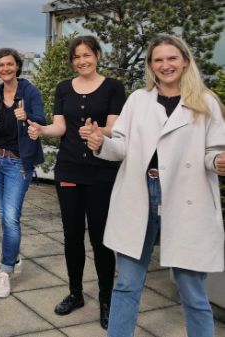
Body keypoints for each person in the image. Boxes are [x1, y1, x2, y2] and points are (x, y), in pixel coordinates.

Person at [86, 34, 225, 337]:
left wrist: (217, 162)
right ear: (150, 65)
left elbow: (214, 151)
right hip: (140, 196)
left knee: (193, 293)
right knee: (126, 285)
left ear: (185, 60)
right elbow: (120, 146)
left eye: (172, 58)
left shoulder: (206, 102)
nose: (166, 65)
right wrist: (101, 143)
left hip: (186, 200)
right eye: (158, 60)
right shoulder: (138, 100)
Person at [27, 35, 125, 329]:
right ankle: (75, 293)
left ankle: (106, 299)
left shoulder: (113, 87)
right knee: (71, 235)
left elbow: (114, 127)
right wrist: (42, 128)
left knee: (100, 237)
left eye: (87, 55)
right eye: (77, 57)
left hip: (100, 171)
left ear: (97, 55)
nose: (82, 61)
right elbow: (60, 126)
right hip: (68, 170)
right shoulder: (63, 88)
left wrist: (99, 132)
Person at [0, 48, 45, 298]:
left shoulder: (29, 91)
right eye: (1, 65)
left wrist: (27, 116)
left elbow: (41, 119)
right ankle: (13, 258)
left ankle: (6, 271)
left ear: (17, 66)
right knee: (5, 215)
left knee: (11, 218)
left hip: (19, 163)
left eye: (10, 64)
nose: (5, 69)